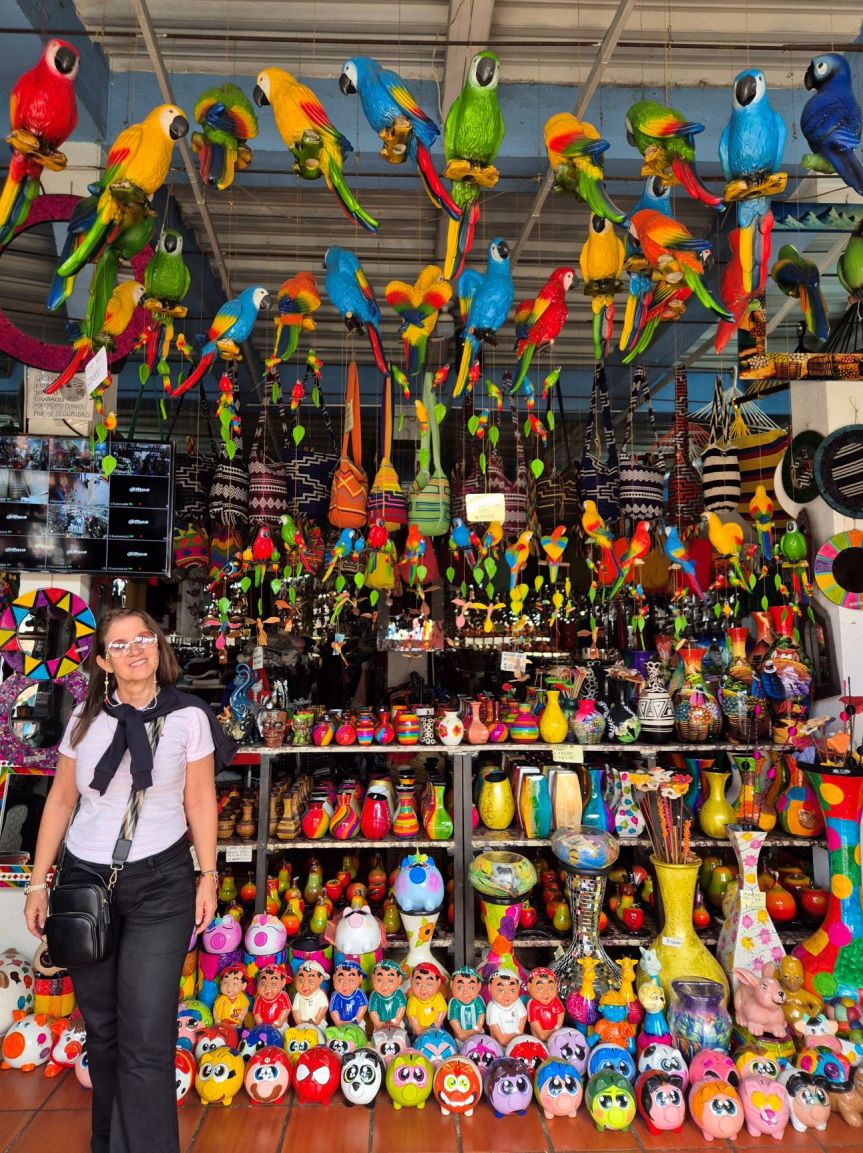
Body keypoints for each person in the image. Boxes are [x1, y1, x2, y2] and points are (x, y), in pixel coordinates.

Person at [23, 608, 233, 1153]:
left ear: (157, 647)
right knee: (106, 1031)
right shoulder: (85, 720)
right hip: (84, 884)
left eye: (143, 638)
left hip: (161, 882)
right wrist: (38, 882)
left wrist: (206, 876)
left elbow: (200, 799)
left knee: (145, 1035)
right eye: (120, 644)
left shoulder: (189, 716)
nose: (135, 649)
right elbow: (63, 799)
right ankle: (108, 1143)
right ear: (102, 661)